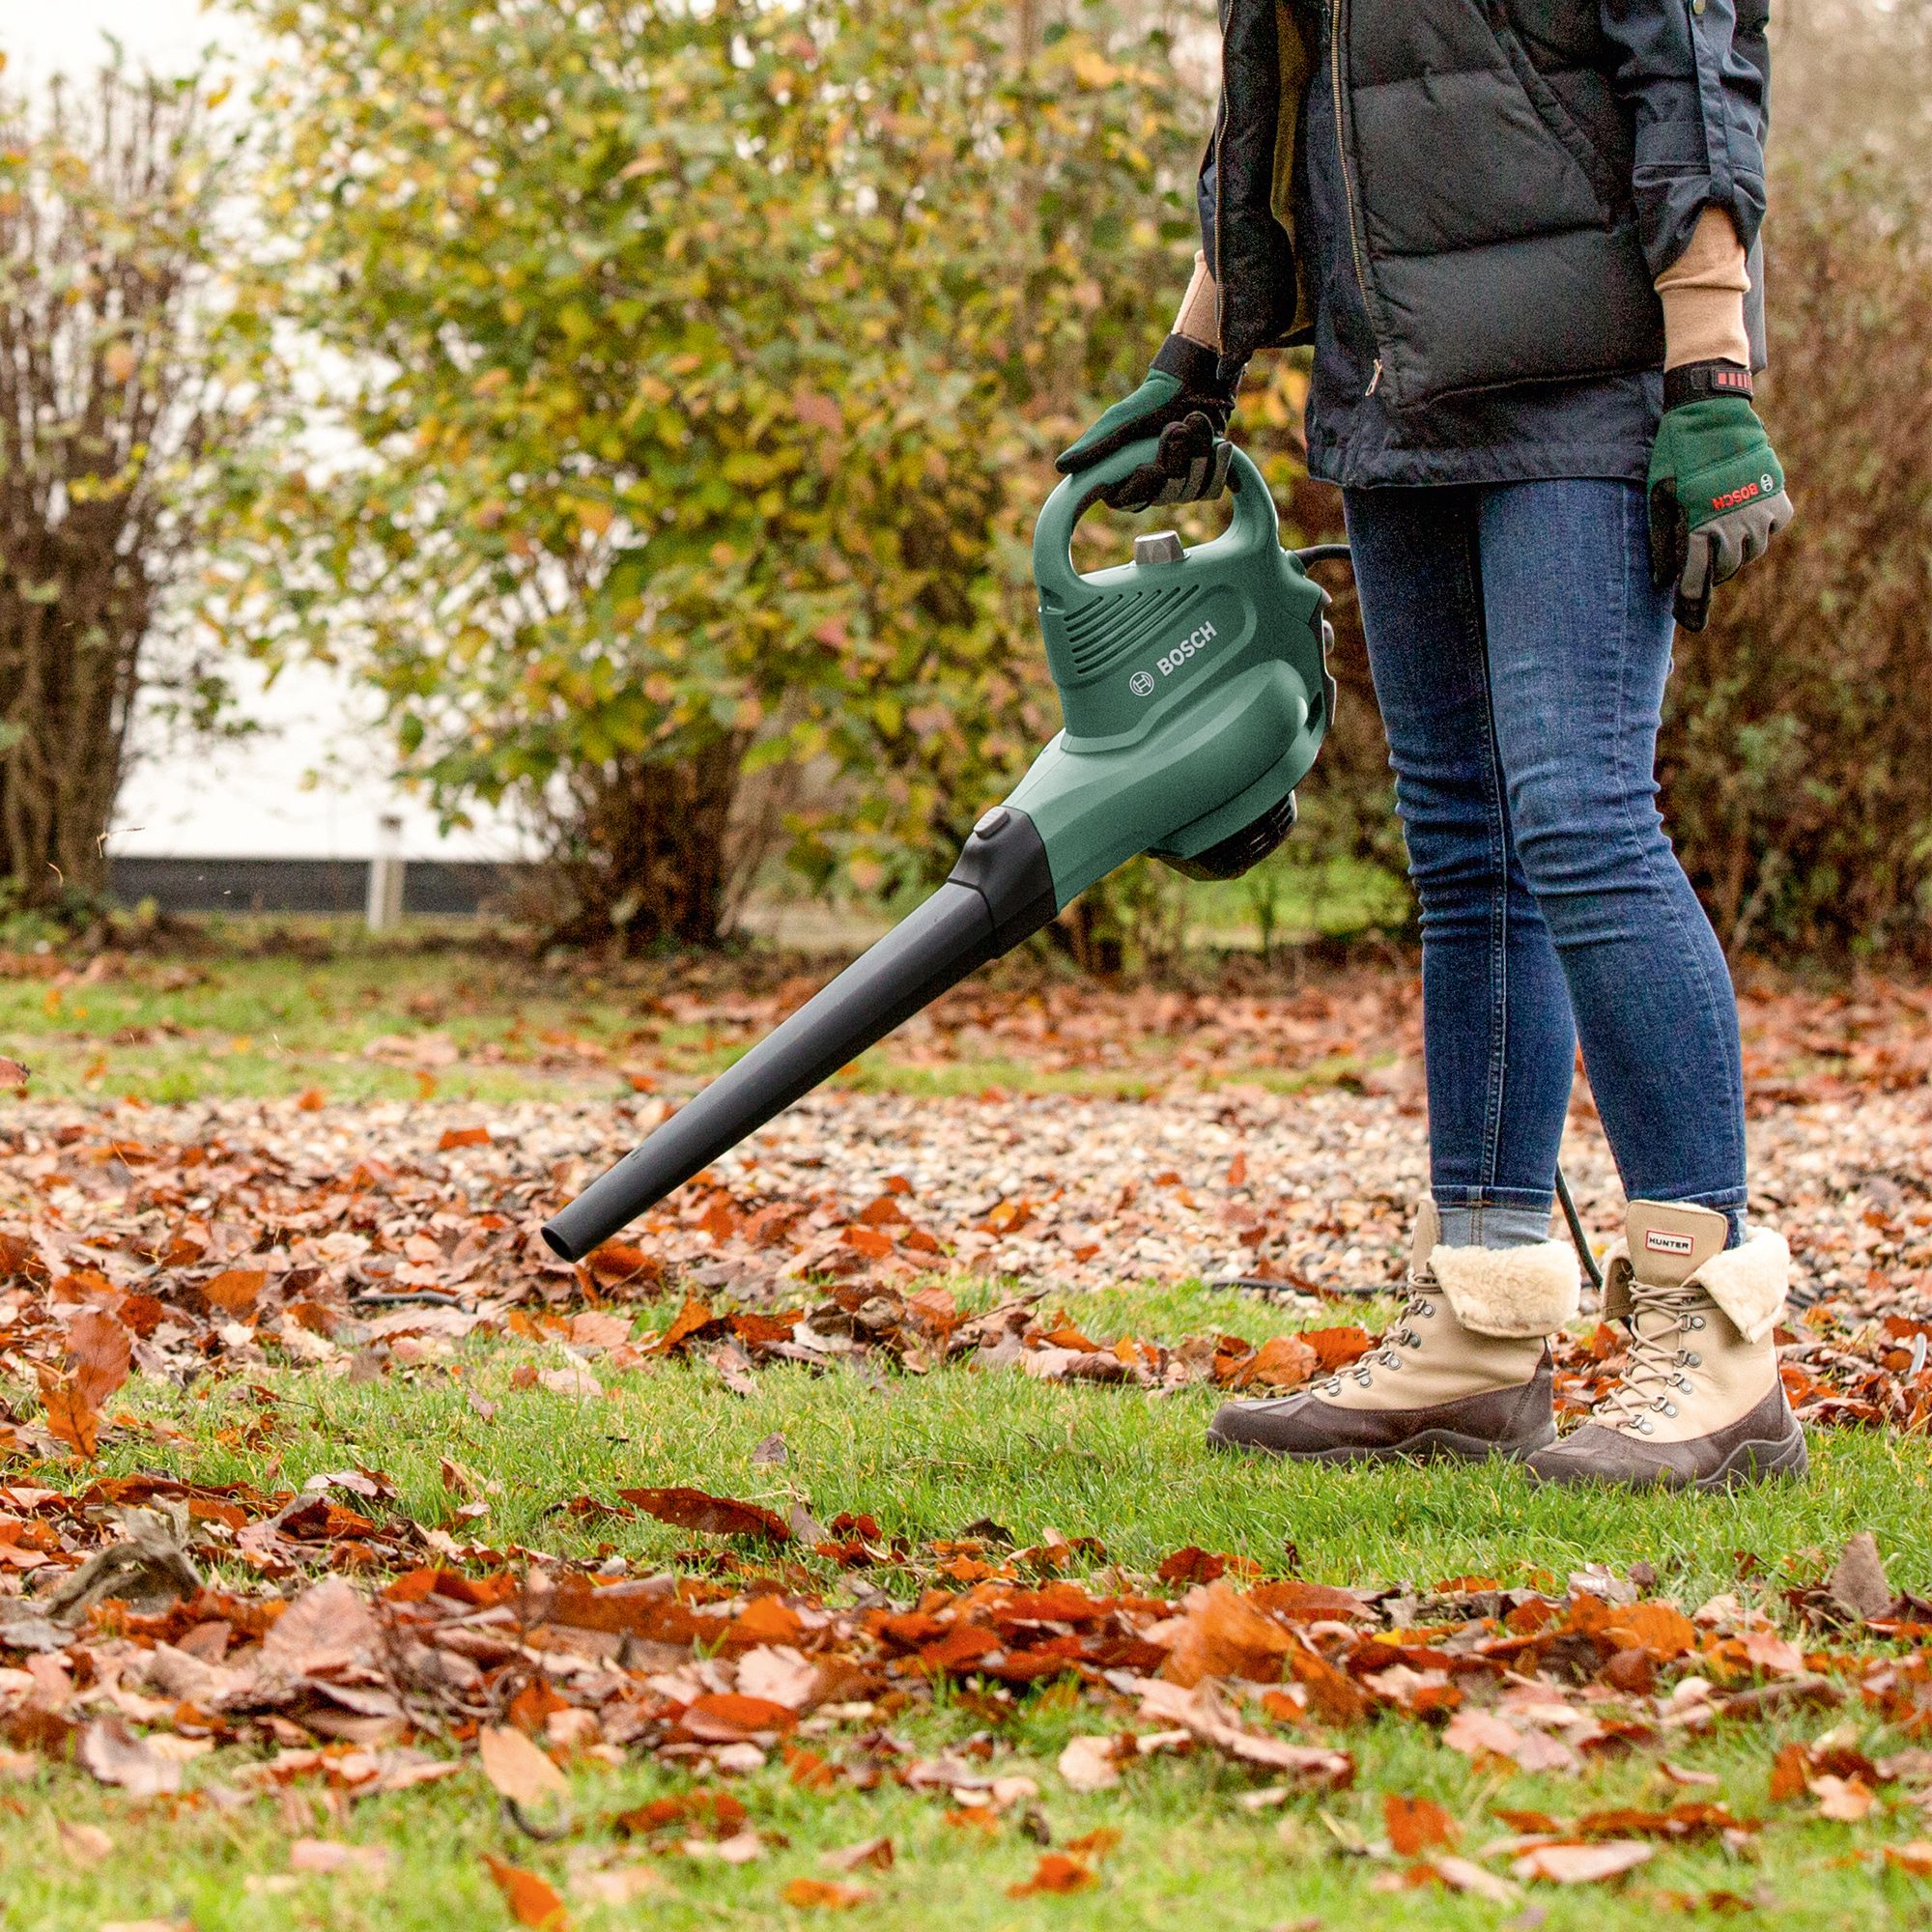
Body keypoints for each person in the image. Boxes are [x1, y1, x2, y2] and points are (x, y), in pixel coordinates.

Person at [1058, 0, 1801, 1491]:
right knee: (1468, 851)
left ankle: (1717, 1351)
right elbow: (1281, 98)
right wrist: (1197, 351)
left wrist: (1711, 369)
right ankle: (1482, 1320)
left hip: (1590, 366)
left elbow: (1694, 61)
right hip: (1394, 383)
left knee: (1583, 818)